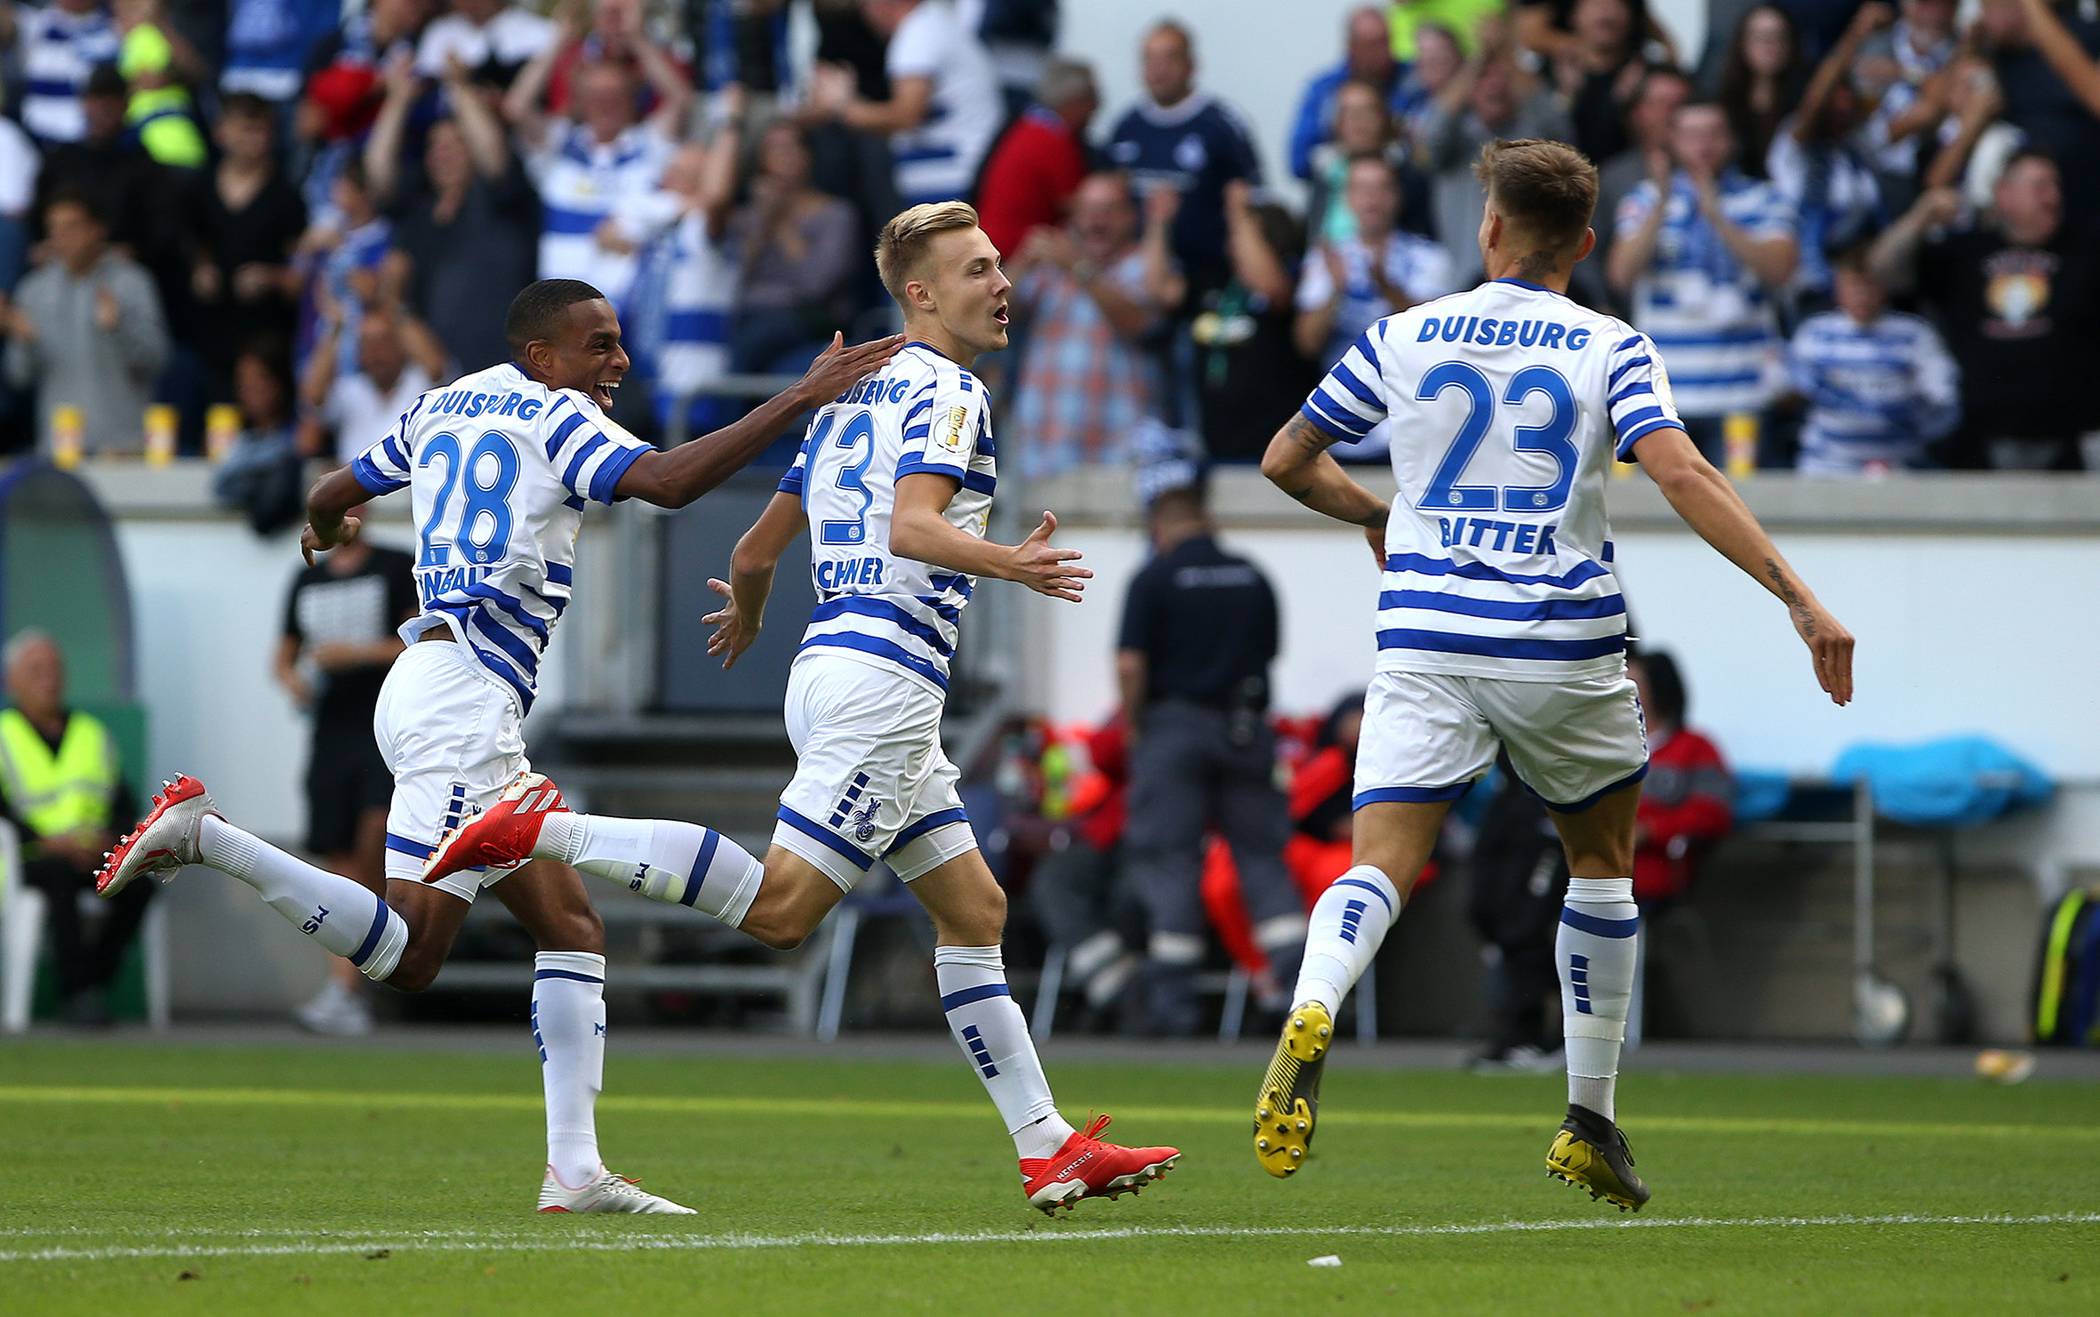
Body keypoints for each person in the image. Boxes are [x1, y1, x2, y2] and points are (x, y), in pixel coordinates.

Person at [424, 205, 1182, 1216]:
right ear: (920, 295)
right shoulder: (953, 392)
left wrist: (745, 609)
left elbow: (751, 551)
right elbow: (913, 528)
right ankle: (539, 827)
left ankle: (1047, 1145)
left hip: (837, 666)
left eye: (999, 265)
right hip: (883, 681)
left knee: (975, 910)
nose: (1002, 285)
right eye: (977, 270)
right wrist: (1011, 562)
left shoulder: (849, 400)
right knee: (784, 914)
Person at [96, 279, 903, 1214]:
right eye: (597, 345)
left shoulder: (440, 405)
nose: (619, 362)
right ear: (542, 357)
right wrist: (802, 395)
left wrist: (329, 529)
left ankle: (575, 1168)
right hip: (462, 703)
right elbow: (672, 484)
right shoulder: (557, 418)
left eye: (617, 343)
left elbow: (326, 493)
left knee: (570, 927)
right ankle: (206, 835)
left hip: (438, 686)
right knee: (409, 955)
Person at [1252, 138, 1854, 1210]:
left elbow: (1285, 459)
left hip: (1426, 633)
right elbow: (1681, 470)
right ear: (1584, 242)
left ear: (1488, 230)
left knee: (1381, 861)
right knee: (1602, 862)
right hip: (1560, 640)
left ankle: (1316, 1000)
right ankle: (1589, 1117)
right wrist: (1798, 598)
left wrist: (1380, 516)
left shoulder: (1401, 335)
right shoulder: (1610, 346)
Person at [1116, 462, 1303, 1034]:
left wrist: (1134, 726)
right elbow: (1269, 654)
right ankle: (1298, 996)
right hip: (1245, 728)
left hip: (1174, 730)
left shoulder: (1154, 577)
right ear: (1209, 517)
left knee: (1170, 860)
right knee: (1261, 857)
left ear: (1159, 524)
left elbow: (1130, 663)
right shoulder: (1252, 575)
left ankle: (1173, 1011)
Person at [1869, 153, 2099, 470]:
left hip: (2071, 441)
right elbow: (1882, 272)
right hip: (1979, 440)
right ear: (2004, 193)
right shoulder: (1967, 253)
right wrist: (1920, 217)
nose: (2053, 197)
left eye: (2056, 186)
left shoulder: (2085, 251)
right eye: (2040, 187)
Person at [275, 533, 419, 1035]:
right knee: (337, 855)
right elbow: (285, 655)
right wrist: (294, 681)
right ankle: (347, 986)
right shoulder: (307, 578)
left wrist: (353, 655)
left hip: (383, 727)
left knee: (373, 839)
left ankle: (357, 979)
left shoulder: (394, 564)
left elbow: (415, 641)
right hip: (330, 732)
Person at [1607, 101, 1797, 461]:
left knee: (1739, 508)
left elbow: (1780, 269)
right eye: (1692, 135)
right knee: (1657, 513)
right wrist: (1663, 204)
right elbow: (1621, 274)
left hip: (1742, 394)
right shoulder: (1646, 198)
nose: (1703, 145)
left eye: (1714, 133)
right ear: (1673, 141)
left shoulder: (1762, 197)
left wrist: (1717, 216)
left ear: (1731, 141)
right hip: (1665, 395)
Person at [0, 631, 139, 1026]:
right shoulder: (4, 734)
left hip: (92, 856)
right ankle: (76, 993)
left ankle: (91, 983)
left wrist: (108, 841)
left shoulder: (92, 734)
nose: (49, 679)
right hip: (25, 861)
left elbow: (121, 803)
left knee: (139, 885)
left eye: (55, 669)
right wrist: (44, 842)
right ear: (12, 681)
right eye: (36, 670)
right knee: (57, 878)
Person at [1006, 172, 1176, 478]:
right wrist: (1022, 261)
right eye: (1086, 210)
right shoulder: (1049, 267)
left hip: (1119, 456)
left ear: (1129, 216)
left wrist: (1079, 267)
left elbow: (1138, 323)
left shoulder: (1146, 265)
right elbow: (994, 313)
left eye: (1109, 210)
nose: (1097, 220)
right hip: (1044, 452)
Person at [1105, 20, 1263, 295]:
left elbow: (1252, 198)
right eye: (1150, 59)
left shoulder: (1221, 125)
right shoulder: (1126, 127)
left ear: (1191, 64)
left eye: (1169, 58)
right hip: (1137, 278)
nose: (1159, 69)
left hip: (1207, 275)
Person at [4, 192, 169, 454]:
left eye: (71, 226)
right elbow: (18, 376)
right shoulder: (33, 290)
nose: (61, 237)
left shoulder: (131, 282)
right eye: (53, 228)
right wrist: (25, 340)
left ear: (97, 229)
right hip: (59, 449)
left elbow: (156, 361)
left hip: (124, 447)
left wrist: (119, 328)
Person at [804, 0, 1003, 210]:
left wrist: (841, 106)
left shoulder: (918, 34)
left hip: (956, 179)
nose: (865, 15)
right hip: (952, 177)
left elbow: (906, 116)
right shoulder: (929, 25)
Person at [1785, 243, 1958, 473]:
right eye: (1854, 285)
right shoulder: (1815, 334)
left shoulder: (1914, 335)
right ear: (1838, 287)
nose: (1862, 295)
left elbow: (1942, 401)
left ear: (1885, 286)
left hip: (1898, 466)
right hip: (1827, 465)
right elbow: (1787, 390)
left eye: (1870, 285)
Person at [726, 120, 861, 378]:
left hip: (805, 316)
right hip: (748, 314)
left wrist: (782, 223)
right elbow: (736, 276)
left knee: (755, 341)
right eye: (774, 150)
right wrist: (763, 220)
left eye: (791, 148)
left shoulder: (836, 214)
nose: (784, 158)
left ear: (809, 154)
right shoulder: (748, 216)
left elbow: (815, 285)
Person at [1625, 650, 1732, 908]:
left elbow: (1712, 814)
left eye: (1632, 685)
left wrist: (1649, 831)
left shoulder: (1697, 749)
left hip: (1653, 870)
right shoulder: (1603, 748)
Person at [974, 56, 1097, 260]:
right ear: (1075, 101)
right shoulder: (1054, 141)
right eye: (1092, 98)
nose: (1096, 107)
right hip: (1016, 253)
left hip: (991, 242)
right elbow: (1076, 207)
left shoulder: (1026, 127)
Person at [1287, 6, 1407, 183]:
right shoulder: (1324, 89)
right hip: (1337, 190)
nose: (1379, 51)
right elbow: (1299, 162)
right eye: (1370, 44)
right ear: (1351, 46)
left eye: (1384, 41)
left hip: (1403, 189)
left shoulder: (1413, 81)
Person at [0, 0, 121, 145]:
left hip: (94, 146)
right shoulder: (38, 23)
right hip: (40, 146)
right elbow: (6, 24)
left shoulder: (116, 27)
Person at [1715, 5, 1804, 180]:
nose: (1770, 46)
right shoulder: (1724, 96)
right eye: (1761, 38)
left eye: (1779, 37)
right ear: (1742, 43)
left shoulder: (1806, 97)